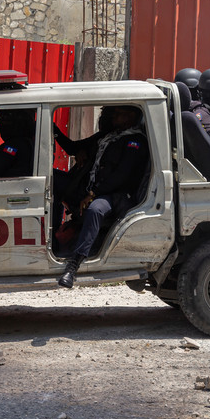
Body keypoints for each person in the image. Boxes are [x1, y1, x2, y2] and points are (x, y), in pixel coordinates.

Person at [53, 105, 150, 289]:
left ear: (131, 117)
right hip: (89, 189)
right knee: (51, 180)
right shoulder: (108, 136)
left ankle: (73, 266)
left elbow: (121, 176)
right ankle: (54, 237)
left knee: (95, 209)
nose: (113, 117)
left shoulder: (135, 141)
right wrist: (53, 129)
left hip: (114, 195)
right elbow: (74, 147)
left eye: (119, 113)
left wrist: (93, 194)